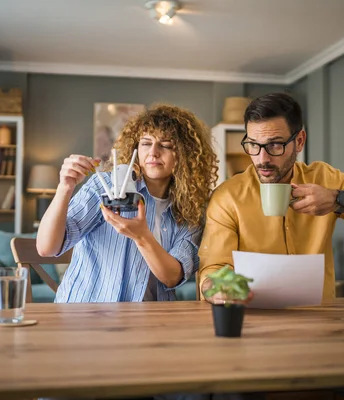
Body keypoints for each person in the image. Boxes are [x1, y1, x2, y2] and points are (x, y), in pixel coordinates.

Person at [197, 92, 344, 400]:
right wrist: (218, 288)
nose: (262, 158)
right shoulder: (227, 197)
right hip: (252, 336)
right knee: (224, 392)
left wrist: (339, 200)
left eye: (274, 144)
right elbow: (212, 271)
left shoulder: (325, 179)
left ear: (299, 141)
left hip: (323, 334)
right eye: (252, 145)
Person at [36, 104, 218, 304]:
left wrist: (142, 236)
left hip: (150, 323)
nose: (153, 153)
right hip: (85, 317)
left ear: (186, 155)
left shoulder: (190, 210)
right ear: (135, 149)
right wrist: (65, 188)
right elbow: (47, 248)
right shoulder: (106, 185)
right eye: (146, 143)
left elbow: (172, 277)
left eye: (166, 145)